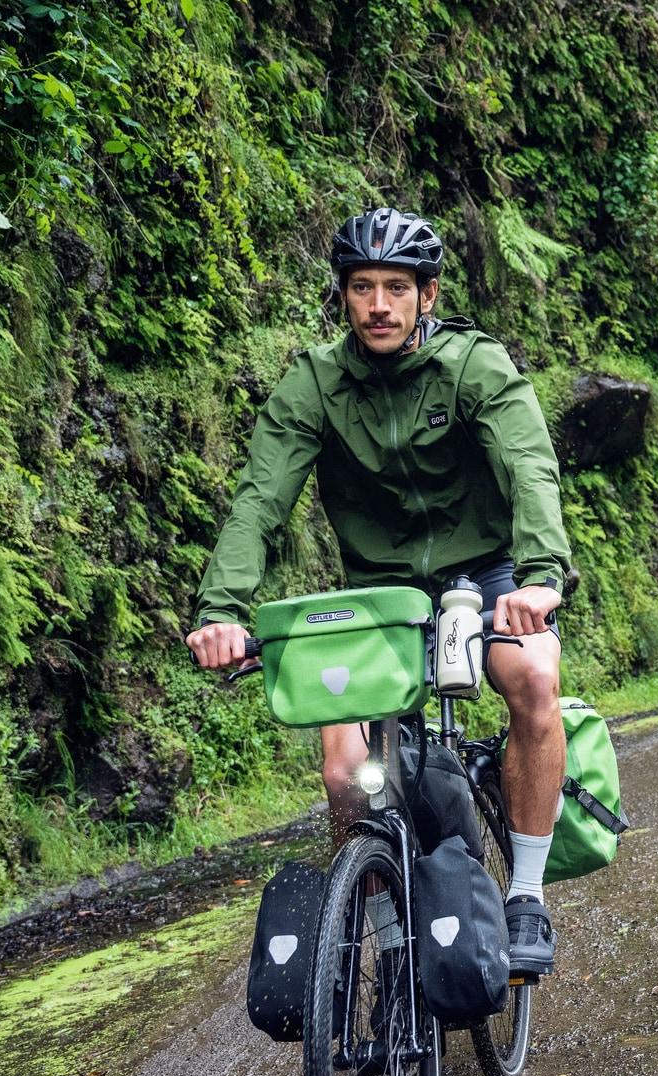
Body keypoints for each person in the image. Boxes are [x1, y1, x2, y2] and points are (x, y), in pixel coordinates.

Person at [184, 206, 571, 976]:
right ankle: (386, 929)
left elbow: (529, 465)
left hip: (483, 575)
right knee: (343, 770)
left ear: (428, 295)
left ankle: (526, 892)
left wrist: (539, 576)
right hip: (376, 593)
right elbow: (260, 500)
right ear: (343, 296)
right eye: (363, 287)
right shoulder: (316, 383)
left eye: (397, 287)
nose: (379, 305)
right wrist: (220, 610)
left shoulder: (473, 365)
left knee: (533, 677)